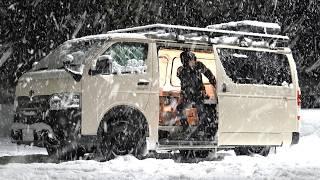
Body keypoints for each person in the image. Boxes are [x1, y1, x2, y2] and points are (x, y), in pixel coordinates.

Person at [176, 50, 217, 139]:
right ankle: (186, 128)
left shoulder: (199, 66)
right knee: (179, 109)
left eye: (193, 60)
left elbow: (209, 74)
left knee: (202, 110)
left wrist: (215, 84)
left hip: (199, 94)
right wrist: (182, 95)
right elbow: (183, 83)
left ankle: (202, 130)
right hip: (188, 96)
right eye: (188, 60)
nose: (192, 62)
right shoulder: (181, 70)